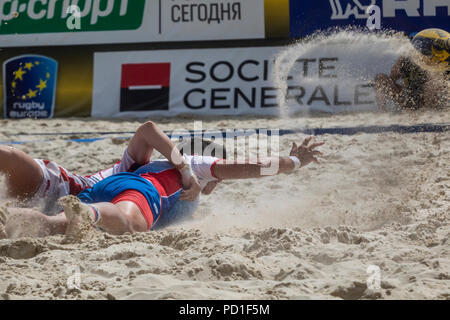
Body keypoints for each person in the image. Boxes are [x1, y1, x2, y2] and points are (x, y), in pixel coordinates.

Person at [0, 136, 324, 239]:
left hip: (113, 185)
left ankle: (9, 216)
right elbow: (254, 167)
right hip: (141, 192)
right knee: (93, 220)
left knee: (80, 212)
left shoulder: (151, 164)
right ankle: (80, 214)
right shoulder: (195, 169)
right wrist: (294, 162)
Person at [0, 121, 202, 215]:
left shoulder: (147, 194)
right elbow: (148, 129)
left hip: (69, 209)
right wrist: (185, 171)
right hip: (62, 188)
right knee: (9, 156)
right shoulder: (137, 167)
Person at [374, 28, 449, 111]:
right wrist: (401, 60)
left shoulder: (432, 59)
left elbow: (440, 81)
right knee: (380, 78)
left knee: (433, 82)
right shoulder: (405, 57)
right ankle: (382, 112)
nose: (415, 49)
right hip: (409, 98)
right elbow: (393, 77)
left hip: (427, 100)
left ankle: (427, 113)